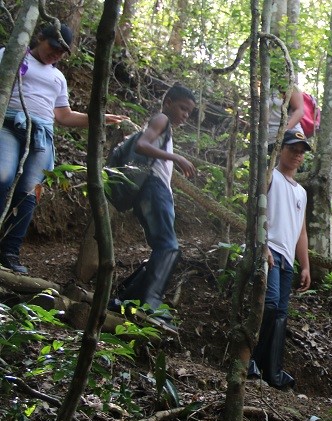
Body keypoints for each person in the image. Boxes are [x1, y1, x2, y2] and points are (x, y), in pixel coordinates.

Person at [0, 23, 126, 274]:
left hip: (41, 135)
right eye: (53, 47)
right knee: (3, 176)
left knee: (30, 192)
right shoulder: (10, 54)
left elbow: (64, 116)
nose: (55, 54)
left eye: (61, 52)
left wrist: (98, 118)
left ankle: (9, 252)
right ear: (40, 38)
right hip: (9, 124)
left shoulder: (58, 77)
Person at [112, 85, 197, 329]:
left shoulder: (166, 128)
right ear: (168, 102)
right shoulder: (161, 119)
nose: (185, 115)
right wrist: (177, 158)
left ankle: (125, 299)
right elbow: (142, 145)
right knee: (168, 247)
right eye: (183, 108)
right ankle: (150, 301)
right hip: (152, 187)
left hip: (158, 190)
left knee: (166, 248)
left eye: (189, 112)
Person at [247, 130, 312, 389]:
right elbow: (254, 210)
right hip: (269, 248)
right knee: (270, 304)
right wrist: (261, 245)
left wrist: (305, 264)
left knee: (281, 314)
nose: (297, 154)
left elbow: (301, 230)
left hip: (287, 257)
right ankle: (249, 360)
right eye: (292, 148)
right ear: (280, 149)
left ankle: (271, 370)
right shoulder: (269, 176)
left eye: (301, 151)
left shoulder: (302, 192)